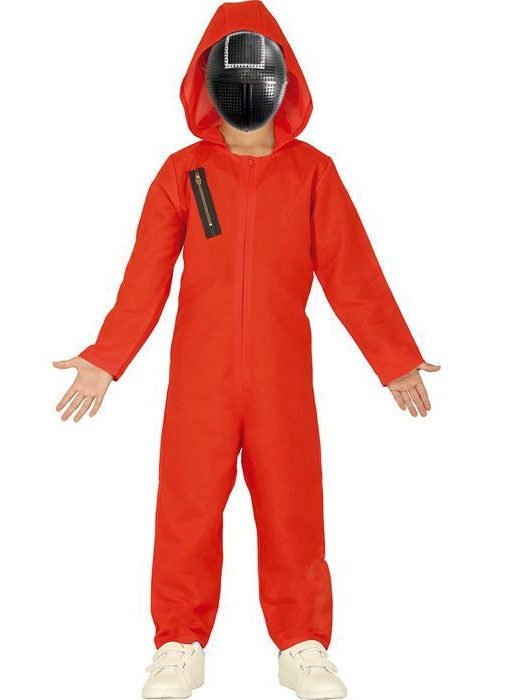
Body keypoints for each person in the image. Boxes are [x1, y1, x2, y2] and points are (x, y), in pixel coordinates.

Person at [54, 2, 439, 698]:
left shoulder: (313, 173)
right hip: (200, 375)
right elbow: (145, 278)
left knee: (293, 503)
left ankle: (302, 646)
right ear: (205, 83)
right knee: (188, 504)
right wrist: (107, 357)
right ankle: (178, 644)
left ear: (283, 80)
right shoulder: (184, 173)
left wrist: (394, 357)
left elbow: (351, 271)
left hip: (280, 373)